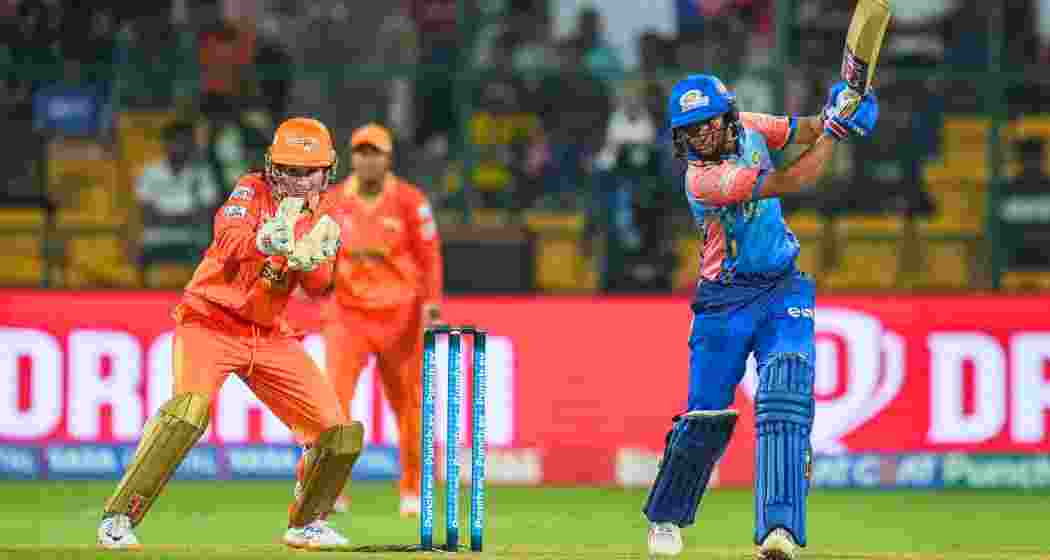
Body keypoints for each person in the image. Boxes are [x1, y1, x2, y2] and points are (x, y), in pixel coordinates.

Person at [97, 117, 363, 550]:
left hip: (269, 334)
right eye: (290, 170)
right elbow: (227, 237)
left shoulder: (329, 212)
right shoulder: (250, 189)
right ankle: (118, 518)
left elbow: (317, 288)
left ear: (327, 172)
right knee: (187, 412)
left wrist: (313, 262)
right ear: (272, 167)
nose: (299, 181)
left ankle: (307, 523)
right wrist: (263, 241)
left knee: (339, 433)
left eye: (308, 172)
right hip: (210, 322)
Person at [642, 75, 878, 559]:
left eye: (708, 123)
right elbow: (792, 181)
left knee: (786, 391)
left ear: (727, 116)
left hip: (781, 288)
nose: (701, 136)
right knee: (706, 416)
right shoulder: (703, 180)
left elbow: (804, 130)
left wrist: (838, 111)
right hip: (723, 301)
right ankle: (666, 515)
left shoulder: (751, 126)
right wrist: (836, 132)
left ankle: (780, 529)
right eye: (691, 130)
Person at [300, 123, 443, 517]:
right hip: (348, 315)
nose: (367, 160)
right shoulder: (332, 202)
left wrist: (432, 303)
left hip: (400, 317)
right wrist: (308, 282)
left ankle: (413, 489)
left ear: (388, 158)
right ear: (352, 158)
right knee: (332, 405)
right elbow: (315, 252)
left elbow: (429, 255)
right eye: (361, 152)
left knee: (410, 405)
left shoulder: (411, 201)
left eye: (374, 152)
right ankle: (329, 491)